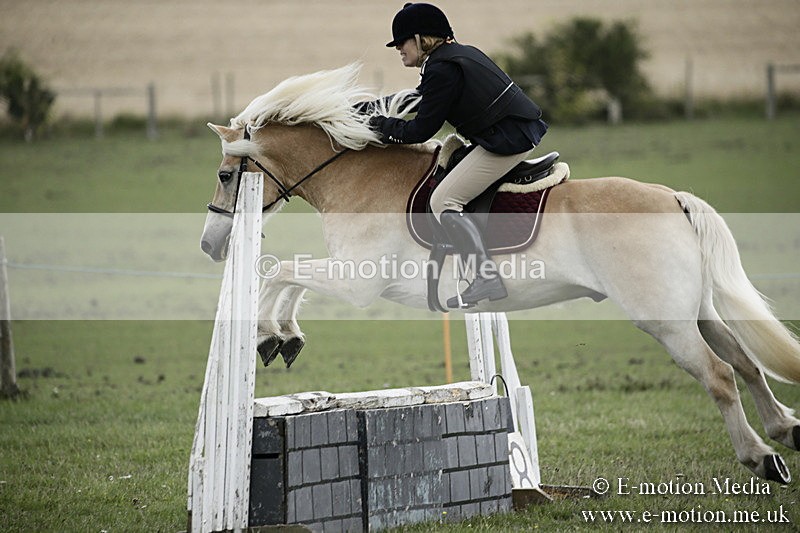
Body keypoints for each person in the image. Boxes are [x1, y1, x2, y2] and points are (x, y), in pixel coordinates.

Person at [369, 2, 548, 308]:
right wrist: (371, 108)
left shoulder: (441, 68)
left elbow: (420, 131)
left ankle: (486, 276)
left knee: (443, 200)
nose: (398, 48)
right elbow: (419, 101)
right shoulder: (455, 56)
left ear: (420, 37)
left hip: (507, 141)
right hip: (514, 131)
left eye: (401, 41)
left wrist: (375, 125)